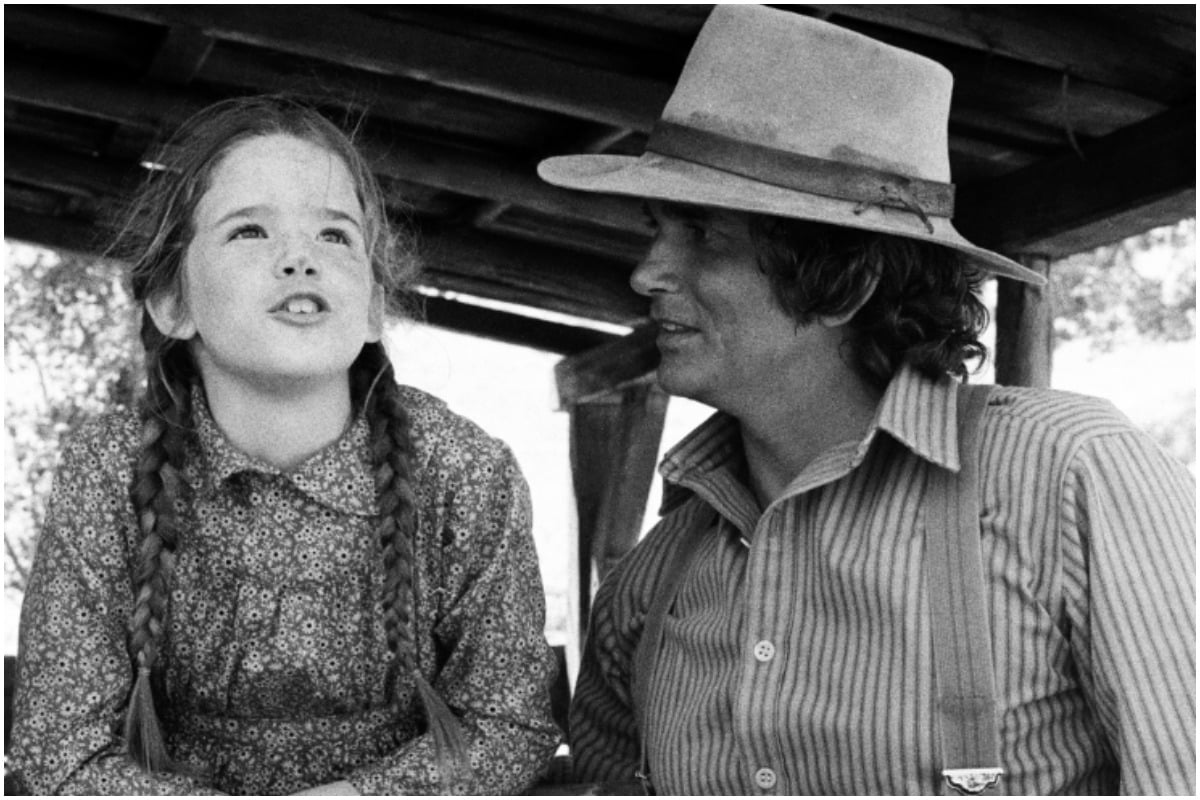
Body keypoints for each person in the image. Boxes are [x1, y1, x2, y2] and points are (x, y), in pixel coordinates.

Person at [538, 5, 1195, 796]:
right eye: (657, 228)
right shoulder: (650, 583)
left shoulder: (1065, 476)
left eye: (704, 234)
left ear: (843, 281)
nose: (647, 272)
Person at [9, 96, 561, 795]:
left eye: (334, 236)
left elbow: (510, 728)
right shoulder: (106, 473)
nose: (299, 258)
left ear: (370, 305)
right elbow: (59, 748)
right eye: (250, 232)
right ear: (171, 302)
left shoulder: (465, 472)